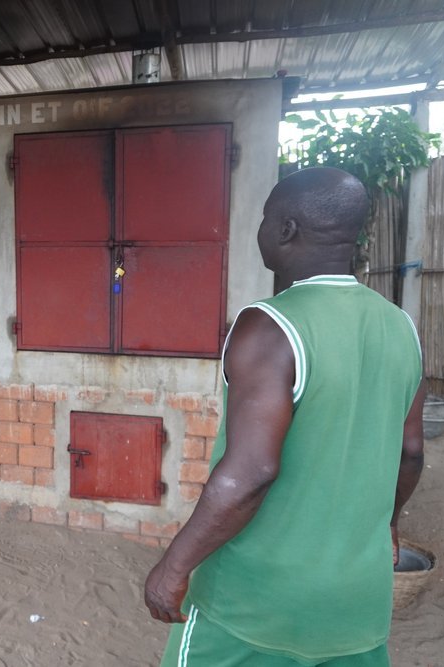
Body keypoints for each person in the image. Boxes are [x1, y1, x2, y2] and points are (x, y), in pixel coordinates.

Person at [144, 167, 425, 666]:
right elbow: (409, 452)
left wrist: (174, 566)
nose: (260, 231)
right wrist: (390, 524)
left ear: (286, 229)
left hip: (254, 603)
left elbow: (250, 475)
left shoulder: (272, 326)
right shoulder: (401, 328)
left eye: (265, 218)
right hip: (356, 603)